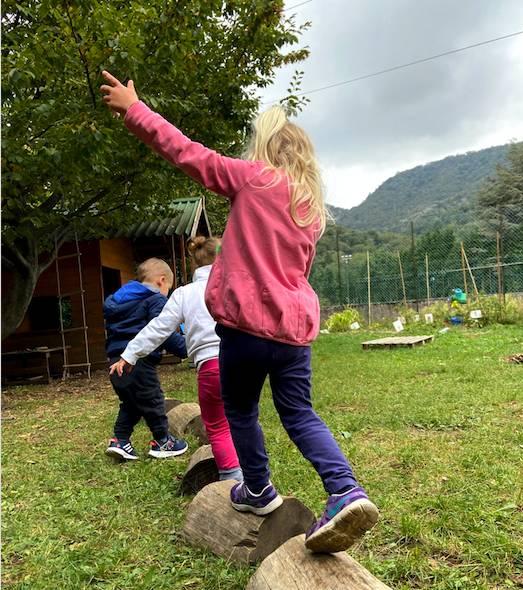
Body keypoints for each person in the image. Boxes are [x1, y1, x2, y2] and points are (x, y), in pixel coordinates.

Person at [100, 71, 379, 553]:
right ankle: (345, 490)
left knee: (241, 410)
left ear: (264, 149)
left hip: (246, 329)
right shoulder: (309, 209)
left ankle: (257, 489)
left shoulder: (252, 180)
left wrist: (134, 109)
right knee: (299, 412)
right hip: (293, 334)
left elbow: (187, 152)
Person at [109, 237, 243, 483]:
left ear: (194, 264)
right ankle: (256, 475)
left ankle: (231, 477)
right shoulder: (238, 285)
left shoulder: (184, 293)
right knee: (245, 419)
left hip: (210, 369)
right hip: (243, 365)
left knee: (217, 425)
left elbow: (158, 328)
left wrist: (129, 354)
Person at [104, 257, 189, 461]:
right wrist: (187, 347)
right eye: (168, 288)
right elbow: (163, 331)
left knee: (131, 403)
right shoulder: (155, 299)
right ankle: (163, 441)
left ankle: (120, 440)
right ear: (161, 281)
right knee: (153, 400)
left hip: (115, 360)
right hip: (139, 361)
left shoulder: (118, 300)